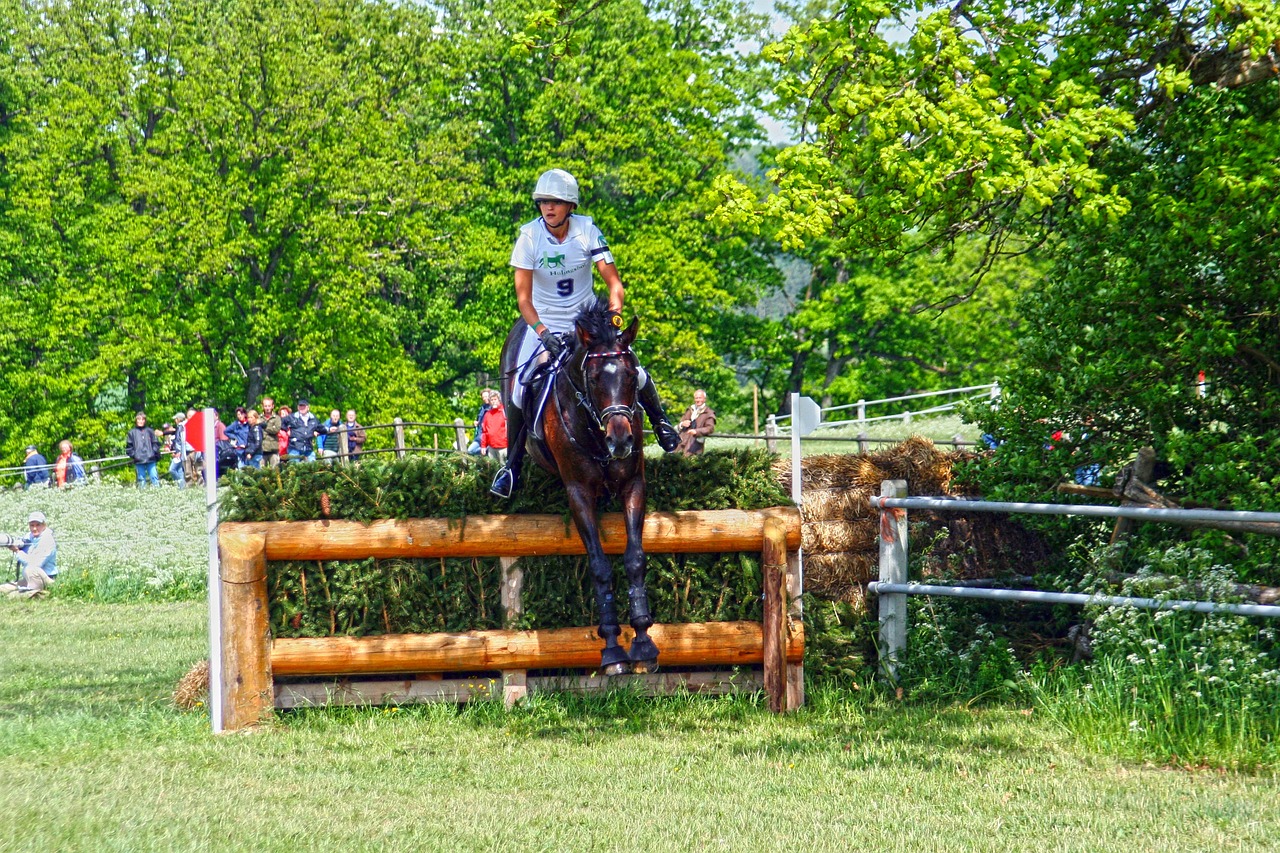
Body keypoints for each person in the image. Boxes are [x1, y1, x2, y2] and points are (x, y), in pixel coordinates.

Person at [490, 168, 680, 498]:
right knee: (520, 389)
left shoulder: (587, 230)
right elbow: (523, 299)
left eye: (556, 202)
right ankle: (512, 466)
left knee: (633, 367)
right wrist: (542, 332)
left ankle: (662, 423)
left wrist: (615, 320)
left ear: (570, 206)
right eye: (543, 202)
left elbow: (614, 284)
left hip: (587, 319)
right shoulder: (528, 238)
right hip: (543, 321)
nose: (548, 208)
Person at [1, 511, 57, 598]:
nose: (34, 528)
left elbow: (34, 564)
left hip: (46, 578)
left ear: (44, 525)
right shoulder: (30, 536)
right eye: (32, 525)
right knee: (3, 589)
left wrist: (17, 551)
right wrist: (13, 543)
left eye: (38, 525)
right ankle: (28, 592)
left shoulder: (47, 540)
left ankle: (35, 593)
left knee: (30, 569)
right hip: (30, 578)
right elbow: (22, 542)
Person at [125, 412, 162, 488]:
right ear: (136, 420)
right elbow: (129, 447)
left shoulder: (150, 431)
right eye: (139, 419)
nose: (141, 421)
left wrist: (153, 452)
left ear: (145, 420)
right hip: (139, 459)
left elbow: (156, 443)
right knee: (141, 479)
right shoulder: (131, 432)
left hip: (150, 458)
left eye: (142, 419)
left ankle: (158, 492)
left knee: (154, 477)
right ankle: (142, 495)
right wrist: (135, 455)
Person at [676, 389, 717, 456]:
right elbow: (679, 424)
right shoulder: (689, 410)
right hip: (681, 443)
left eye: (700, 398)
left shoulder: (708, 413)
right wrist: (682, 424)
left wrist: (697, 431)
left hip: (695, 446)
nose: (698, 400)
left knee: (691, 463)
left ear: (704, 399)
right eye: (696, 398)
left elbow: (710, 428)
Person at [480, 394, 508, 463]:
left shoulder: (505, 412)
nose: (493, 401)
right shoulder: (487, 414)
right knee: (493, 470)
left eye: (495, 399)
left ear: (499, 400)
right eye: (491, 400)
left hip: (503, 447)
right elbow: (484, 431)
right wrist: (483, 446)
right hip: (491, 448)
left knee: (503, 468)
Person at [467, 390, 494, 456]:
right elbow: (479, 419)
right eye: (483, 397)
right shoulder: (482, 408)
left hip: (488, 437)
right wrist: (476, 422)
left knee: (471, 451)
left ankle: (488, 451)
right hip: (479, 436)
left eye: (486, 396)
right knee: (470, 451)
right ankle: (487, 451)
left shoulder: (493, 408)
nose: (485, 398)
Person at [261, 398, 282, 468]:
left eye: (269, 406)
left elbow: (276, 430)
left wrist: (264, 426)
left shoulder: (277, 418)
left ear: (272, 406)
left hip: (273, 449)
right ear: (262, 406)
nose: (267, 408)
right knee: (260, 472)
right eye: (265, 406)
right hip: (261, 449)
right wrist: (271, 427)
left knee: (275, 471)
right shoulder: (259, 418)